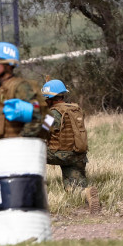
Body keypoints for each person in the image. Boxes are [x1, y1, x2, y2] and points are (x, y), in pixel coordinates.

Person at [41, 80, 99, 211]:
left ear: (49, 98)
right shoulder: (74, 109)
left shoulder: (52, 114)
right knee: (73, 188)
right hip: (78, 154)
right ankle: (87, 193)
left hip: (60, 154)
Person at [0, 42, 43, 142]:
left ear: (9, 64)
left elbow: (36, 117)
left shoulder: (20, 87)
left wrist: (23, 139)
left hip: (16, 150)